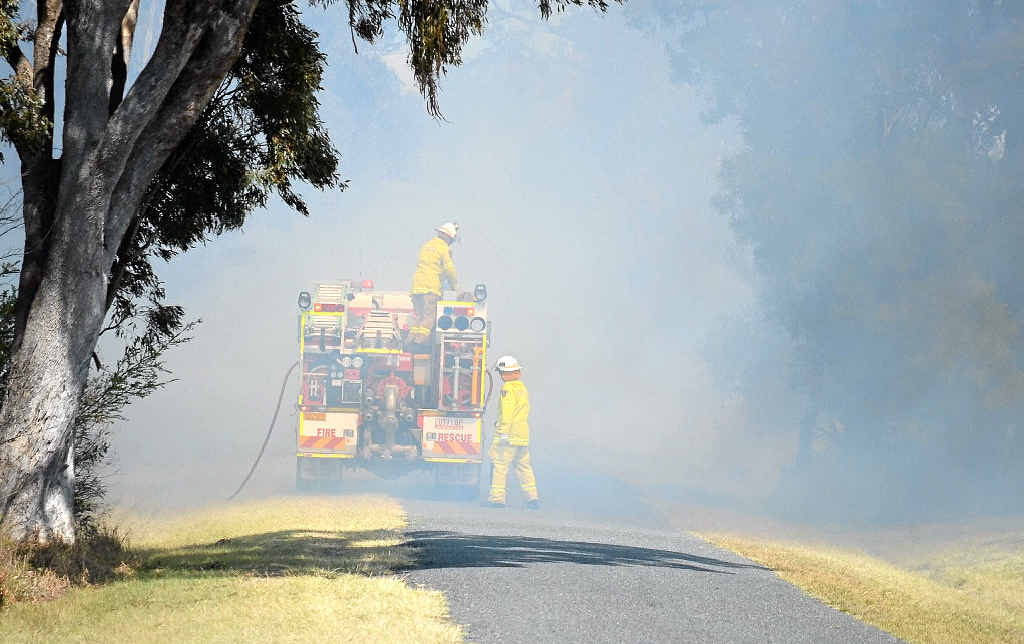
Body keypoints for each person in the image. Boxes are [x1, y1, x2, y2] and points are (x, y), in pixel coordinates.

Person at [486, 355, 540, 509]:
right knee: (524, 467)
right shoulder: (522, 388)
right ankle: (532, 499)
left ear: (505, 373)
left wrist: (503, 433)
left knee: (500, 465)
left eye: (501, 373)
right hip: (522, 436)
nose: (501, 376)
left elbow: (507, 413)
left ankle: (497, 499)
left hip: (509, 436)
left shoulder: (507, 389)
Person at [408, 222, 459, 347]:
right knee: (429, 317)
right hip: (430, 288)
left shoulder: (427, 246)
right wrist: (455, 286)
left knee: (419, 317)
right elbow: (449, 269)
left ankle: (409, 341)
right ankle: (418, 343)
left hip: (416, 287)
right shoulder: (443, 248)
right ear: (447, 237)